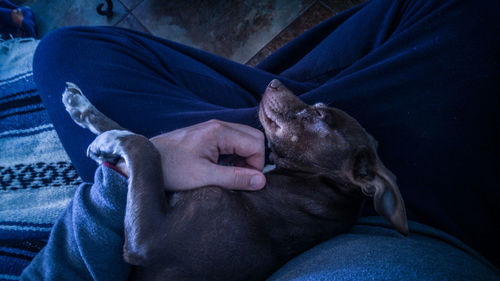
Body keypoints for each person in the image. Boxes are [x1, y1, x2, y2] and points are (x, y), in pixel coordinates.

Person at [21, 0, 499, 279]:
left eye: (309, 115)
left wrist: (135, 168)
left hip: (215, 198)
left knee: (64, 50)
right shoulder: (368, 180)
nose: (281, 98)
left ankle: (287, 110)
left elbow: (134, 248)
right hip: (404, 233)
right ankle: (298, 108)